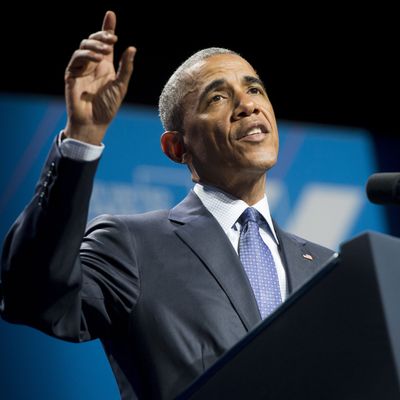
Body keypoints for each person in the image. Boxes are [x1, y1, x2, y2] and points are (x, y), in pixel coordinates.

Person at [0, 10, 334, 400]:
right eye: (218, 97)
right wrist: (82, 138)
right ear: (178, 148)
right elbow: (32, 296)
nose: (248, 106)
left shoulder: (327, 267)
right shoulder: (133, 245)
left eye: (255, 89)